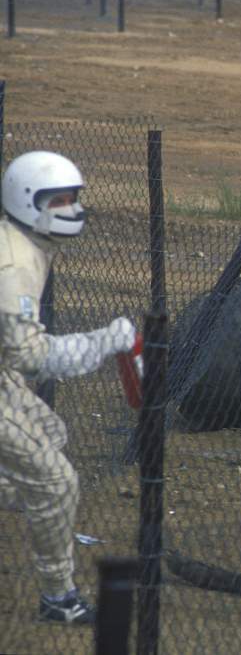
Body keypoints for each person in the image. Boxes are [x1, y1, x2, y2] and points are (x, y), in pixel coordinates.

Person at [0, 151, 136, 625]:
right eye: (57, 201)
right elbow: (31, 357)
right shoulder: (15, 264)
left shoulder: (20, 242)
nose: (71, 210)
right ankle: (60, 599)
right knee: (57, 482)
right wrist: (103, 342)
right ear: (26, 202)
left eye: (72, 199)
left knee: (49, 434)